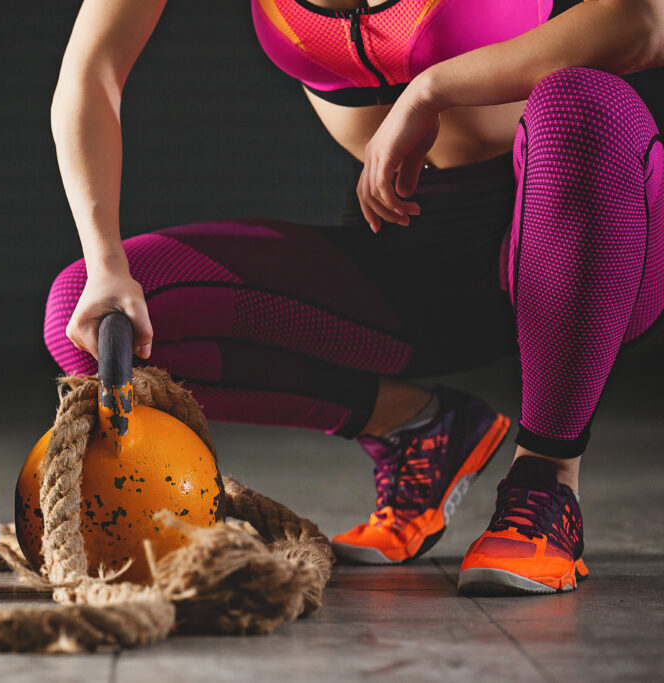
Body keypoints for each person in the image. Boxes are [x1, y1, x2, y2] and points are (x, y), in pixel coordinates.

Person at [43, 0, 664, 595]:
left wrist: (432, 90)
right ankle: (418, 427)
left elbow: (643, 21)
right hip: (403, 244)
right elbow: (91, 72)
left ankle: (547, 482)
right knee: (94, 320)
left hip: (594, 236)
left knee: (583, 102)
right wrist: (106, 263)